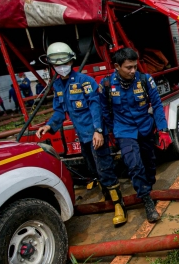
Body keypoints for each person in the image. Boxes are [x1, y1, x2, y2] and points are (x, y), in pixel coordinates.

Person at [35, 42, 128, 227]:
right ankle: (107, 196)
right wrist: (49, 126)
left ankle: (120, 206)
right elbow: (60, 111)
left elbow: (96, 107)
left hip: (95, 134)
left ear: (71, 61)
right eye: (57, 64)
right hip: (83, 136)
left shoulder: (85, 82)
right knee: (93, 169)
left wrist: (98, 131)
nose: (61, 67)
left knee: (105, 169)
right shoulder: (59, 86)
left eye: (64, 62)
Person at [99, 47, 172, 223]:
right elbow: (104, 111)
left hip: (145, 128)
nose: (133, 71)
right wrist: (113, 132)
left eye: (134, 66)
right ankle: (147, 201)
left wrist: (162, 129)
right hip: (124, 131)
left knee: (149, 165)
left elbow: (156, 104)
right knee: (134, 165)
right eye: (128, 67)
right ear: (117, 66)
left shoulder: (145, 80)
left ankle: (147, 185)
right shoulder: (107, 85)